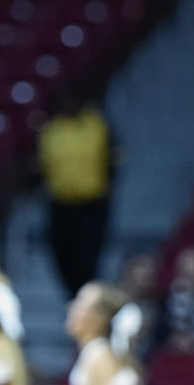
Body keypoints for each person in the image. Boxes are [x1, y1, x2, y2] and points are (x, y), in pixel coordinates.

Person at [39, 88, 114, 297]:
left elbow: (113, 158)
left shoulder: (97, 124)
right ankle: (72, 298)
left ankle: (87, 299)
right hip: (61, 205)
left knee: (88, 258)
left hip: (91, 205)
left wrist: (109, 188)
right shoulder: (50, 129)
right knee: (62, 258)